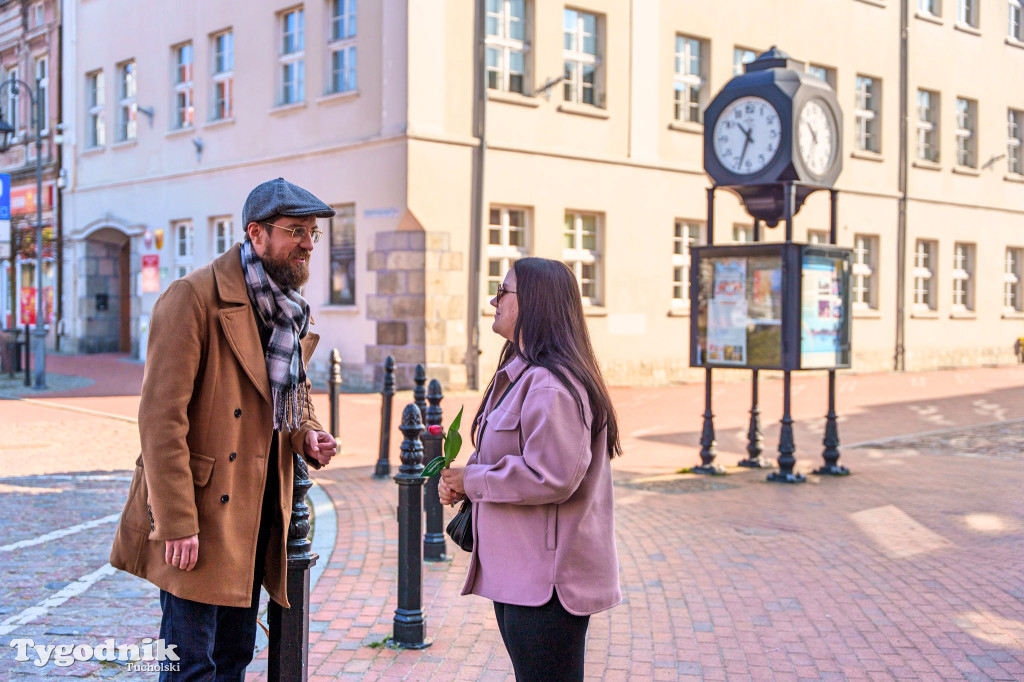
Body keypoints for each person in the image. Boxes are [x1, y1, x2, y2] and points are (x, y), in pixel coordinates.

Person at [109, 178, 339, 680]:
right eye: (296, 231)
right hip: (200, 515)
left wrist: (308, 434)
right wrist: (176, 522)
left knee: (235, 657)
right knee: (191, 665)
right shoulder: (191, 299)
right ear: (256, 234)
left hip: (256, 515)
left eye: (312, 234)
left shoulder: (288, 309)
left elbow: (291, 396)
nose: (307, 244)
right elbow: (160, 419)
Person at [439, 257, 622, 682]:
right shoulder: (524, 375)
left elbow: (551, 477)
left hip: (548, 586)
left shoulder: (551, 384)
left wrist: (474, 480)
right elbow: (517, 459)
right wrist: (467, 484)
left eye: (504, 291)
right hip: (523, 578)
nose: (494, 299)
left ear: (535, 302)